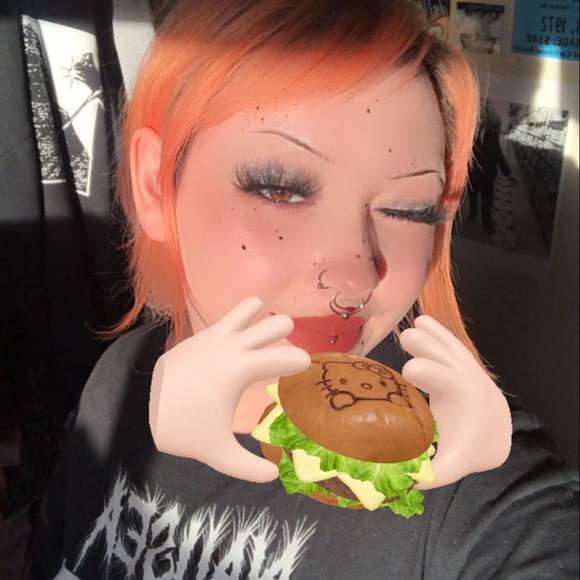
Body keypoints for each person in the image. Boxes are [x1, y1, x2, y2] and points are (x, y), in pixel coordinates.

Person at [28, 1, 578, 578]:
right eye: (281, 189)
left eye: (408, 209)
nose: (357, 276)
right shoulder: (120, 380)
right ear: (154, 186)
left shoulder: (479, 488)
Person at [467, 101, 516, 234]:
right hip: (473, 171)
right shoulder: (470, 128)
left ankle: (486, 222)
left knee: (487, 199)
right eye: (480, 110)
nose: (482, 113)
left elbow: (497, 152)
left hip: (488, 172)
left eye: (484, 110)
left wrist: (507, 172)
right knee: (472, 195)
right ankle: (472, 214)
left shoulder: (492, 131)